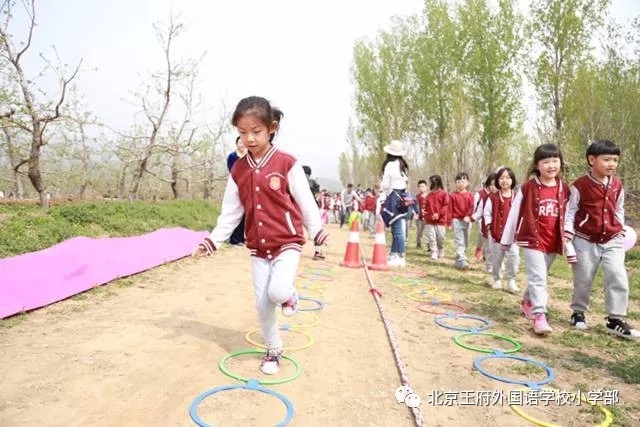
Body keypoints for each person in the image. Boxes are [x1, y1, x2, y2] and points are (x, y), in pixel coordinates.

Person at [193, 96, 331, 374]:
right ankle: (273, 350)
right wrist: (211, 242)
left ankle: (289, 295)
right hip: (258, 247)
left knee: (277, 291)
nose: (249, 139)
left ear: (272, 128)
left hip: (287, 242)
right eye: (242, 132)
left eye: (256, 131)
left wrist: (316, 230)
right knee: (262, 305)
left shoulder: (287, 163)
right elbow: (231, 212)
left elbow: (305, 201)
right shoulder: (238, 170)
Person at [564, 140, 639, 339]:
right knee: (583, 279)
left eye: (615, 160)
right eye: (606, 160)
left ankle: (615, 319)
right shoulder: (580, 185)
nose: (612, 164)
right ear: (592, 160)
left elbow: (619, 208)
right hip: (585, 239)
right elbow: (571, 211)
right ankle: (578, 312)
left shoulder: (617, 185)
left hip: (613, 239)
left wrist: (620, 227)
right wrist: (568, 233)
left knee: (617, 275)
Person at [501, 144, 569, 335]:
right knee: (539, 278)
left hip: (552, 240)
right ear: (537, 165)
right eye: (546, 161)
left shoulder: (564, 189)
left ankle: (528, 301)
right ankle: (540, 315)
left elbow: (570, 215)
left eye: (555, 161)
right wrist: (507, 239)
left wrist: (569, 240)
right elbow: (514, 214)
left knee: (540, 276)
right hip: (531, 239)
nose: (551, 165)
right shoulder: (528, 187)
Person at [484, 167, 519, 292]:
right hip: (497, 234)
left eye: (508, 178)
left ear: (512, 180)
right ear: (497, 181)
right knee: (497, 259)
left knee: (513, 257)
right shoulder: (493, 197)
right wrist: (489, 226)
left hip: (513, 236)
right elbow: (487, 213)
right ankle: (497, 279)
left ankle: (511, 280)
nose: (505, 181)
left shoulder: (518, 197)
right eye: (502, 178)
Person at [380, 140, 411, 267]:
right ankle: (394, 253)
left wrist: (383, 192)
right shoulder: (403, 165)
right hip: (402, 196)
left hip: (393, 196)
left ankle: (399, 255)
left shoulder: (390, 165)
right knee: (397, 226)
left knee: (397, 228)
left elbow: (385, 183)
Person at [450, 172, 474, 270]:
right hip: (456, 220)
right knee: (459, 240)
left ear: (467, 183)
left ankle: (459, 258)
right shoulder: (453, 195)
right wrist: (449, 221)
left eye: (463, 181)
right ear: (455, 183)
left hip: (467, 221)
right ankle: (462, 260)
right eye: (458, 182)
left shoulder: (470, 195)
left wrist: (468, 216)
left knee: (466, 241)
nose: (461, 184)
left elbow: (472, 207)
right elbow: (450, 209)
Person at [472, 173, 497, 271]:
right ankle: (489, 266)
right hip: (487, 227)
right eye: (491, 184)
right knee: (488, 248)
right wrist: (472, 218)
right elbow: (479, 212)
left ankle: (498, 263)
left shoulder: (504, 197)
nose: (493, 187)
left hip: (499, 228)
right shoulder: (485, 198)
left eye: (495, 184)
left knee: (498, 248)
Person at [226, 137, 248, 246]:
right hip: (236, 186)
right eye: (239, 142)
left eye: (243, 142)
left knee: (245, 214)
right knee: (235, 212)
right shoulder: (232, 156)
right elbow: (232, 172)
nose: (242, 144)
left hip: (247, 187)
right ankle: (234, 239)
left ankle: (242, 238)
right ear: (236, 144)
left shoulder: (249, 156)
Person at [302, 165, 325, 261]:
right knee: (314, 230)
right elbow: (318, 196)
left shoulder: (299, 180)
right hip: (311, 209)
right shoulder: (314, 183)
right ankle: (318, 252)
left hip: (298, 208)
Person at [424, 175, 449, 260]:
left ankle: (440, 249)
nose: (433, 183)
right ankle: (434, 251)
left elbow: (446, 206)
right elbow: (425, 208)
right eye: (432, 182)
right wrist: (427, 215)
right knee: (431, 237)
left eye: (435, 182)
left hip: (440, 220)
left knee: (440, 237)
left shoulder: (444, 194)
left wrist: (439, 214)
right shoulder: (428, 196)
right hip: (429, 220)